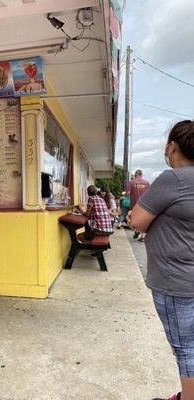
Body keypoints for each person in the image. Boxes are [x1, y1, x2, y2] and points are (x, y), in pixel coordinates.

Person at [128, 120, 194, 400]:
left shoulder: (173, 178)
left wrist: (138, 218)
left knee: (185, 348)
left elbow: (137, 221)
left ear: (172, 145)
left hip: (175, 280)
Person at [127, 169, 150, 241]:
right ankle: (142, 236)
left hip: (134, 204)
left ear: (135, 175)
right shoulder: (147, 183)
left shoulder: (131, 182)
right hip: (145, 204)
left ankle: (137, 230)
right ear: (142, 175)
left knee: (132, 218)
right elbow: (150, 193)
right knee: (143, 219)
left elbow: (128, 193)